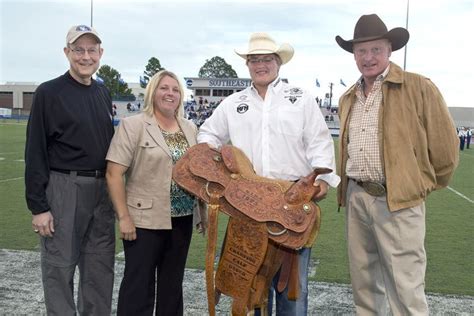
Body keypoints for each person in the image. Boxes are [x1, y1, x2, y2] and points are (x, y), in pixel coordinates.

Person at [198, 32, 340, 315]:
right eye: (254, 60)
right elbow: (206, 135)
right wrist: (222, 170)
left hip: (290, 204)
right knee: (251, 291)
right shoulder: (233, 103)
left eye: (266, 59)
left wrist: (321, 181)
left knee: (292, 292)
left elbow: (319, 142)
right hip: (248, 207)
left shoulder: (300, 98)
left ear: (278, 62)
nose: (260, 65)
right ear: (247, 65)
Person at [335, 14, 459, 315]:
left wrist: (416, 185)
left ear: (390, 50)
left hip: (399, 202)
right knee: (365, 290)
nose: (368, 57)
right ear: (354, 55)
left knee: (406, 292)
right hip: (357, 197)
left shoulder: (418, 87)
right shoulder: (348, 97)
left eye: (375, 49)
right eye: (361, 51)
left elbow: (446, 150)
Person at [24, 25, 115, 315]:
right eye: (78, 50)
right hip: (65, 188)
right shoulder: (49, 92)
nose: (85, 56)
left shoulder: (103, 91)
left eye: (91, 50)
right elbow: (35, 150)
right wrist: (38, 207)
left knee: (100, 270)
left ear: (100, 54)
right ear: (67, 53)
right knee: (60, 269)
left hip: (102, 192)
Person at [106, 70, 206, 316]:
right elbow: (113, 173)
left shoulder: (189, 128)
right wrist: (124, 217)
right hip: (144, 221)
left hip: (181, 219)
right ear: (152, 92)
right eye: (164, 88)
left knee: (172, 287)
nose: (170, 93)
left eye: (175, 89)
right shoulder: (133, 125)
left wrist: (201, 211)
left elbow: (197, 173)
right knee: (138, 287)